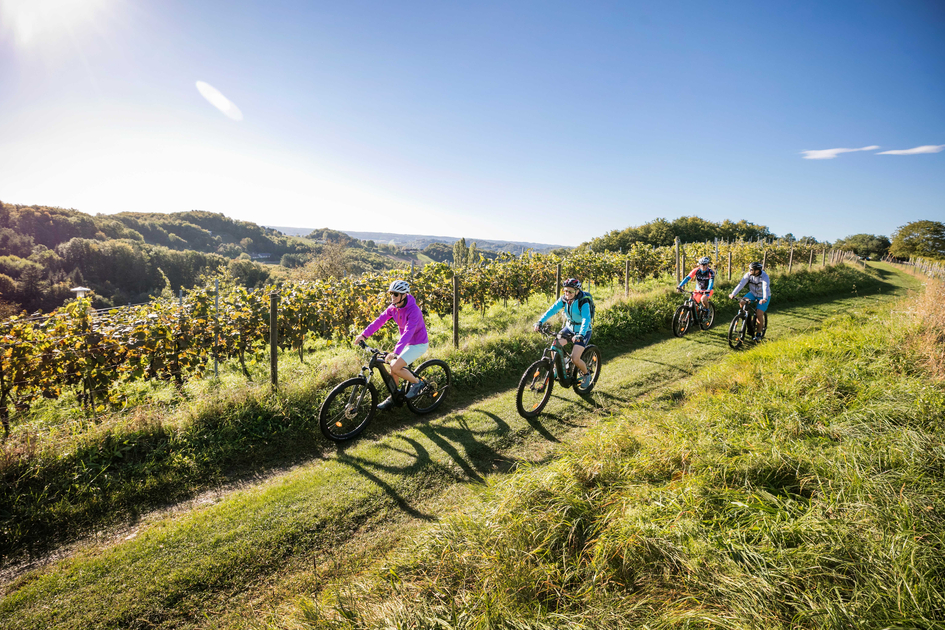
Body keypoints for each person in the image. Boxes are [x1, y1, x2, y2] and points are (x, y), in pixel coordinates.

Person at [354, 280, 429, 410]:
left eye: (395, 294)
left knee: (395, 366)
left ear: (404, 295)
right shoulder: (393, 307)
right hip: (407, 343)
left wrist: (396, 352)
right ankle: (394, 397)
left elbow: (408, 332)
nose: (392, 297)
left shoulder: (414, 310)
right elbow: (379, 321)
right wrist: (364, 335)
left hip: (418, 344)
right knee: (393, 367)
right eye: (391, 293)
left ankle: (417, 383)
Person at [533, 277, 594, 388]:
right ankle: (557, 368)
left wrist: (580, 334)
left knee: (575, 359)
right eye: (565, 290)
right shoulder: (564, 300)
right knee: (555, 346)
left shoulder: (583, 301)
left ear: (577, 291)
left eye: (570, 291)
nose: (567, 293)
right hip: (569, 328)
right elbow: (552, 310)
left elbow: (586, 319)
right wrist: (540, 322)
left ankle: (586, 374)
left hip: (583, 331)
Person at [728, 261, 770, 340]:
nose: (750, 271)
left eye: (752, 269)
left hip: (763, 296)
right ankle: (748, 320)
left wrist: (764, 298)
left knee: (759, 314)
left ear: (757, 270)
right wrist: (733, 294)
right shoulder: (748, 275)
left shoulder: (764, 276)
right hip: (752, 294)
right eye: (750, 269)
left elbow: (765, 288)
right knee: (742, 302)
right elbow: (741, 284)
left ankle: (758, 334)